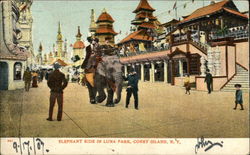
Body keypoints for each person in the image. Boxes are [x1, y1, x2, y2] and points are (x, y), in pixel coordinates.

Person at [81, 37, 97, 104]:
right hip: (90, 60)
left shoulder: (97, 46)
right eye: (92, 41)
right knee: (90, 87)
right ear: (90, 41)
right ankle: (92, 98)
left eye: (94, 41)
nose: (93, 42)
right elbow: (87, 56)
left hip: (96, 60)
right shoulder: (87, 47)